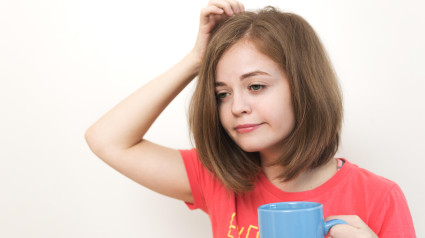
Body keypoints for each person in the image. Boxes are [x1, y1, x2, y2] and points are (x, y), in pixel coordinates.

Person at [85, 0, 416, 237]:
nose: (236, 107)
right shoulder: (216, 180)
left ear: (305, 87)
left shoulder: (380, 197)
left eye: (256, 86)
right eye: (222, 93)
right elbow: (106, 139)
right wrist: (195, 60)